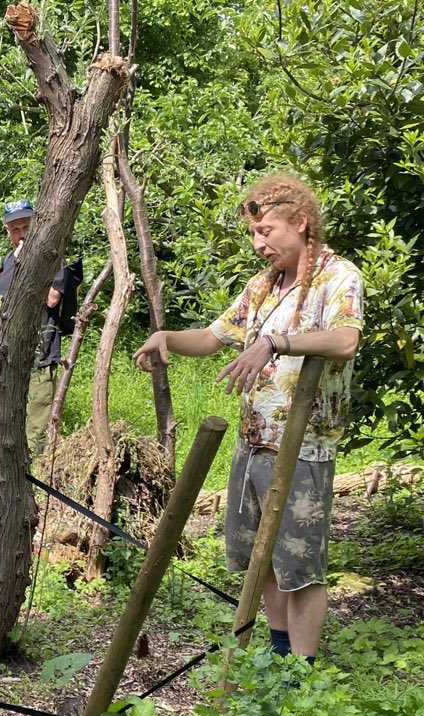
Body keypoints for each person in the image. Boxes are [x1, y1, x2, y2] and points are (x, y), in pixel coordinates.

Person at [133, 172, 363, 663]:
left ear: (301, 223)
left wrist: (275, 342)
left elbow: (345, 340)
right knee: (264, 561)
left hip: (304, 447)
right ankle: (280, 659)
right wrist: (168, 336)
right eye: (254, 235)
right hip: (253, 442)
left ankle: (303, 675)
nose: (259, 245)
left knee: (301, 565)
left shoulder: (336, 276)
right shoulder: (262, 285)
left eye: (268, 232)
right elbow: (214, 337)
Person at [0, 198, 67, 453]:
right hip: (10, 357)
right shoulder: (5, 261)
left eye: (26, 227)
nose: (22, 234)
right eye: (15, 229)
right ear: (7, 231)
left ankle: (37, 479)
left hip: (40, 356)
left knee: (36, 429)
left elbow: (51, 299)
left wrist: (29, 261)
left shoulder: (52, 256)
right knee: (10, 426)